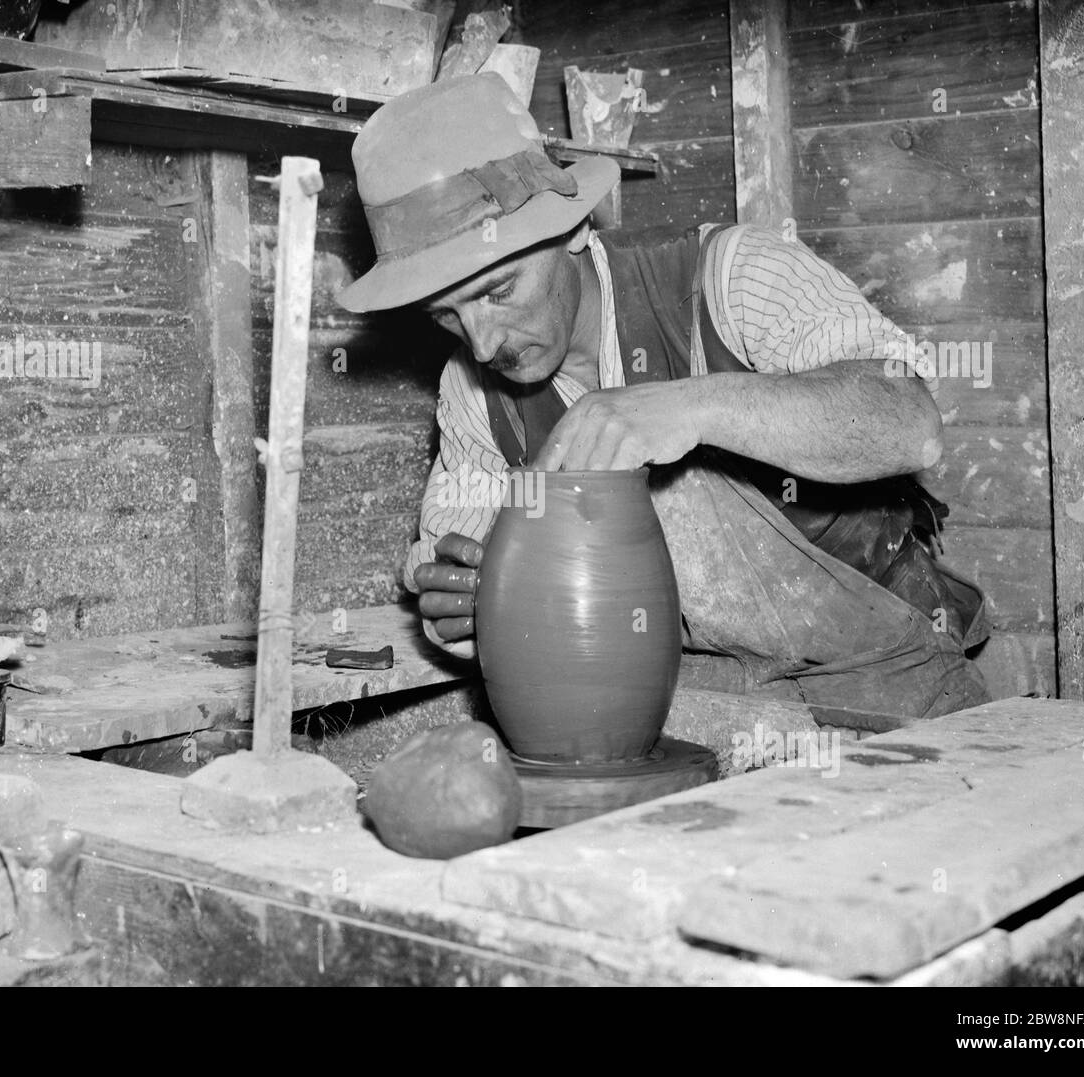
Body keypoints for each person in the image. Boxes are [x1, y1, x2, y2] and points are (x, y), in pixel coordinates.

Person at [335, 73, 990, 721]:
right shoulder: (473, 394)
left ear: (571, 230)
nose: (481, 345)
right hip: (692, 700)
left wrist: (688, 408)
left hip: (891, 683)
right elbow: (463, 570)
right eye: (445, 315)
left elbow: (909, 421)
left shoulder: (730, 280)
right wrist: (471, 605)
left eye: (498, 291)